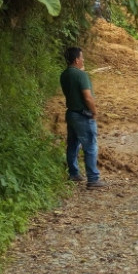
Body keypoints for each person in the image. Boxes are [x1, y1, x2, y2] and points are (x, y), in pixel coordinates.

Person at [60, 47, 105, 188]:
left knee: (72, 144)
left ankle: (74, 174)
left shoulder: (64, 74)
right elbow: (87, 97)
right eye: (82, 57)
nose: (83, 60)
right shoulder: (81, 75)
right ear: (76, 60)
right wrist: (94, 111)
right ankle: (93, 179)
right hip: (82, 115)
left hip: (71, 113)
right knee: (90, 146)